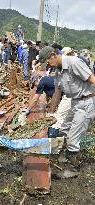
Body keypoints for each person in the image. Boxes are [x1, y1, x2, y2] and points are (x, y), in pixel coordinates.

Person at [38, 46, 95, 174]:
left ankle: (73, 168)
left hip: (87, 101)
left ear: (53, 55)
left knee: (73, 137)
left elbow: (93, 80)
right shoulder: (58, 70)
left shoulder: (73, 63)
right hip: (75, 102)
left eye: (48, 62)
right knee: (63, 130)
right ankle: (65, 154)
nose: (48, 66)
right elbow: (57, 92)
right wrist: (51, 114)